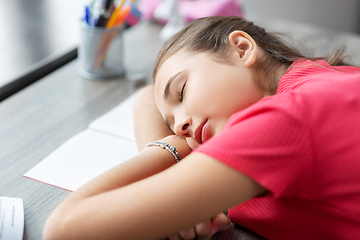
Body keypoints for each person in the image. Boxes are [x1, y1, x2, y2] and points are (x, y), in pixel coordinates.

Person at [43, 16, 360, 240]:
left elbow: (64, 228)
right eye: (173, 124)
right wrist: (178, 188)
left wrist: (175, 152)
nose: (180, 125)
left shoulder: (281, 122)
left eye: (181, 92)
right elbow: (145, 98)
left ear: (241, 48)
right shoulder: (321, 78)